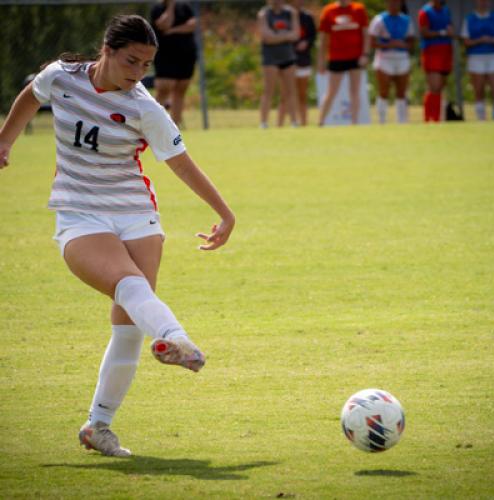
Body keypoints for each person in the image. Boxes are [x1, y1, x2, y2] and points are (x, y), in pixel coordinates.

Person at [0, 15, 235, 457]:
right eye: (132, 61)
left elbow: (181, 163)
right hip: (80, 213)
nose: (138, 72)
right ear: (105, 50)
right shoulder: (61, 77)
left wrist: (225, 213)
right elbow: (30, 97)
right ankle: (176, 337)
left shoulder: (145, 107)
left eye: (147, 64)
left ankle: (98, 427)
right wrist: (5, 140)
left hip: (136, 214)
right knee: (132, 286)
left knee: (127, 328)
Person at [317, 0, 370, 126]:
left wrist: (365, 54)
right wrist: (321, 60)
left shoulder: (359, 9)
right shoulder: (328, 11)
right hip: (336, 57)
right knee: (331, 91)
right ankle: (320, 122)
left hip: (355, 57)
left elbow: (366, 34)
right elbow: (323, 39)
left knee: (355, 91)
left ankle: (354, 123)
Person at [151, 0, 197, 126]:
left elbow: (192, 25)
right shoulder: (157, 8)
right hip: (165, 55)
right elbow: (165, 24)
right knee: (164, 88)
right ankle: (153, 124)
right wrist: (170, 6)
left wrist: (173, 30)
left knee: (181, 88)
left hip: (185, 54)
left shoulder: (184, 6)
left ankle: (175, 125)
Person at [369, 0, 415, 124]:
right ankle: (382, 121)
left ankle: (402, 121)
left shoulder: (406, 20)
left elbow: (411, 41)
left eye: (397, 2)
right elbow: (371, 42)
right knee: (383, 91)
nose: (394, 5)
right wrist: (388, 44)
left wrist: (403, 45)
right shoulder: (379, 20)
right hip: (384, 59)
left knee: (401, 92)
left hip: (401, 58)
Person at [258, 0, 300, 128]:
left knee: (290, 91)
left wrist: (276, 36)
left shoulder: (291, 13)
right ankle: (264, 123)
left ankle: (294, 122)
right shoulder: (264, 14)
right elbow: (266, 37)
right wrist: (286, 35)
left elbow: (296, 35)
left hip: (288, 57)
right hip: (270, 58)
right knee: (268, 91)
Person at [278, 0, 317, 126]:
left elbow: (313, 36)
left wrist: (306, 42)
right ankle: (280, 124)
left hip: (303, 59)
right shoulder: (284, 16)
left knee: (302, 94)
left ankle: (303, 123)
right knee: (285, 94)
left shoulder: (308, 17)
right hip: (287, 60)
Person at [461, 0, 494, 120]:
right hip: (475, 57)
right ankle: (481, 120)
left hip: (493, 56)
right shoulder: (469, 19)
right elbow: (466, 41)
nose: (483, 2)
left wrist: (491, 40)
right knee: (478, 90)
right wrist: (479, 40)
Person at [418, 0, 454, 122]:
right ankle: (428, 119)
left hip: (446, 52)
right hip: (432, 52)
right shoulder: (425, 12)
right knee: (434, 86)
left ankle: (437, 118)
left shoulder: (446, 10)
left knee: (440, 87)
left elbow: (450, 28)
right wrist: (442, 32)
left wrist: (450, 32)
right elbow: (424, 32)